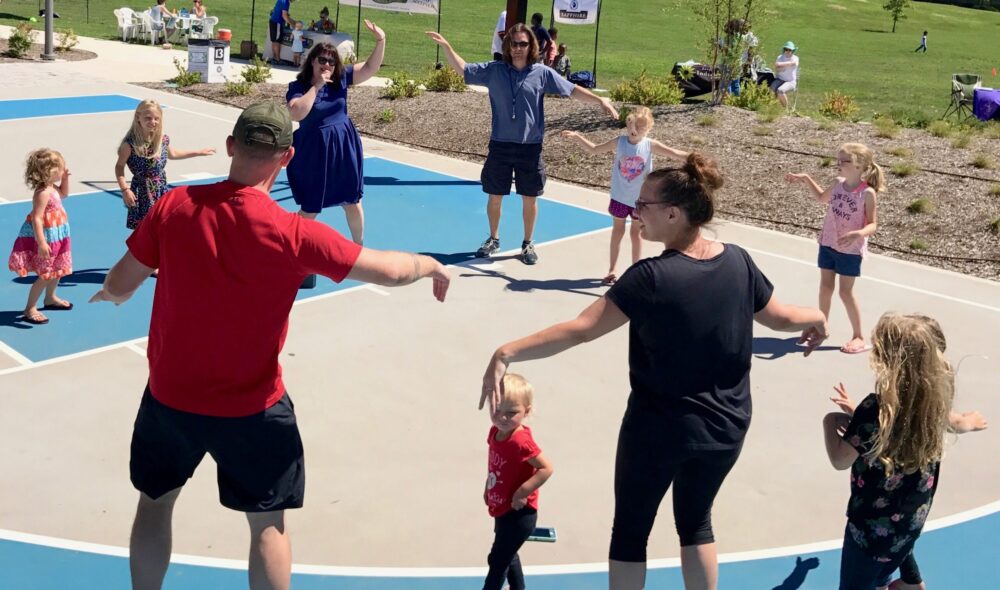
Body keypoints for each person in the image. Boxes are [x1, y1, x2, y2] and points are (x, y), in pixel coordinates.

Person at [89, 101, 451, 590]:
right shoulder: (293, 234)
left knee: (155, 504)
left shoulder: (174, 208)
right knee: (268, 525)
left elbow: (120, 280)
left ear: (231, 146)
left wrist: (112, 293)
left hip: (170, 400)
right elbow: (388, 270)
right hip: (253, 409)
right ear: (287, 158)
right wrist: (428, 263)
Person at [481, 154, 828, 590]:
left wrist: (507, 351)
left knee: (630, 531)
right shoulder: (738, 262)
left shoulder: (650, 277)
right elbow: (779, 318)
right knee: (696, 523)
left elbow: (580, 330)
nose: (634, 210)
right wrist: (816, 315)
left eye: (643, 204)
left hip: (657, 432)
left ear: (673, 213)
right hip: (725, 430)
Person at [427, 25, 618, 265]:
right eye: (514, 44)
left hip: (530, 147)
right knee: (494, 196)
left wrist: (600, 100)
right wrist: (447, 47)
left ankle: (527, 244)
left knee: (530, 197)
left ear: (531, 47)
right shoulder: (494, 70)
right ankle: (493, 239)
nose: (518, 48)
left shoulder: (542, 73)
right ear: (508, 46)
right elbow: (464, 69)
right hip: (500, 145)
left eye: (523, 44)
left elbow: (572, 90)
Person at [831, 315, 987, 590]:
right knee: (897, 546)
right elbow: (955, 423)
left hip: (869, 531)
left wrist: (830, 423)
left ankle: (895, 583)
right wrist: (970, 422)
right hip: (910, 519)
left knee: (861, 577)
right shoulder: (932, 405)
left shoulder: (873, 411)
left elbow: (840, 460)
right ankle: (910, 584)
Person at [561, 106, 688, 284]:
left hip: (640, 202)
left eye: (640, 128)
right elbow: (595, 149)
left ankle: (636, 271)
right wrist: (577, 137)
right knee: (617, 231)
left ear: (649, 129)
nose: (634, 130)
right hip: (619, 197)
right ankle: (612, 269)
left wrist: (693, 157)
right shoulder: (620, 142)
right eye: (632, 126)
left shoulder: (649, 145)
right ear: (628, 124)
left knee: (636, 234)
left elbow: (675, 153)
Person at [286, 20, 385, 247]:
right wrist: (317, 86)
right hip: (314, 150)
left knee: (352, 201)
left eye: (331, 61)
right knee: (311, 207)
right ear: (312, 61)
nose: (327, 64)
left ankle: (358, 247)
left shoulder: (341, 79)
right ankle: (291, 245)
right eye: (322, 60)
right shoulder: (298, 87)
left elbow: (370, 68)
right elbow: (296, 113)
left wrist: (381, 40)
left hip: (342, 146)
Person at [786, 143, 883, 354]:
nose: (838, 164)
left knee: (845, 292)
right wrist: (806, 179)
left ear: (859, 166)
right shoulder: (838, 184)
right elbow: (822, 198)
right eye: (838, 160)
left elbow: (873, 225)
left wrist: (859, 233)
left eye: (844, 161)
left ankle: (858, 336)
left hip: (849, 250)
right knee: (825, 288)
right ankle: (822, 327)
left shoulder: (867, 193)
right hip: (828, 243)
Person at [483, 374, 554, 590]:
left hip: (520, 514)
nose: (502, 417)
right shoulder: (496, 432)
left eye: (511, 413)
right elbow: (495, 464)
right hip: (502, 508)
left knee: (497, 561)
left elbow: (546, 468)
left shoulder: (521, 441)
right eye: (497, 409)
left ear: (527, 411)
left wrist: (522, 492)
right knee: (507, 554)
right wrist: (488, 487)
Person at [115, 99, 216, 231]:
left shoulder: (162, 139)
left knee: (162, 227)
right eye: (148, 118)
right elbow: (119, 167)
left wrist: (198, 152)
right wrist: (125, 190)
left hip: (161, 189)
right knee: (145, 231)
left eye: (156, 118)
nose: (153, 122)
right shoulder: (129, 145)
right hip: (142, 192)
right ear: (137, 117)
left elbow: (172, 154)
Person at [8, 149, 73, 325]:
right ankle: (30, 308)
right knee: (46, 274)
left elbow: (64, 194)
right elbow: (37, 218)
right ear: (48, 171)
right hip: (48, 237)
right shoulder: (43, 192)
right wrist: (42, 242)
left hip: (59, 234)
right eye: (60, 167)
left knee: (58, 268)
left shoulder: (52, 187)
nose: (63, 169)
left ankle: (50, 298)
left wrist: (65, 179)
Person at [770, 41, 799, 107]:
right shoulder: (780, 57)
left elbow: (794, 63)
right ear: (784, 50)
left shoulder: (796, 58)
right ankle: (773, 106)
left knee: (780, 90)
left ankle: (785, 108)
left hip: (790, 81)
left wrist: (781, 65)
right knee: (771, 89)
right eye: (786, 49)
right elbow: (777, 68)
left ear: (793, 50)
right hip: (780, 79)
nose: (788, 51)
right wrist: (788, 64)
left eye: (790, 50)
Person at [269, 0, 295, 65]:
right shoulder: (286, 2)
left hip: (273, 21)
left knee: (274, 41)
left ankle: (274, 58)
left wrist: (292, 21)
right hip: (277, 22)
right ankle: (277, 59)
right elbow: (284, 15)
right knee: (277, 42)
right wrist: (292, 23)